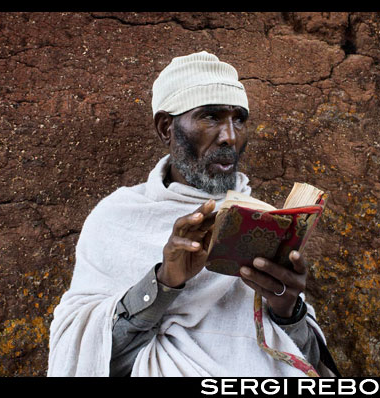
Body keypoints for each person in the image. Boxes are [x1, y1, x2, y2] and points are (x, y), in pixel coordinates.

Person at [47, 51, 338, 377]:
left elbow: (311, 366)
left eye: (239, 119)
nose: (230, 135)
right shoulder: (116, 219)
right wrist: (164, 282)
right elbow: (92, 359)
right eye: (211, 117)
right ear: (165, 128)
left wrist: (287, 309)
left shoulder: (266, 224)